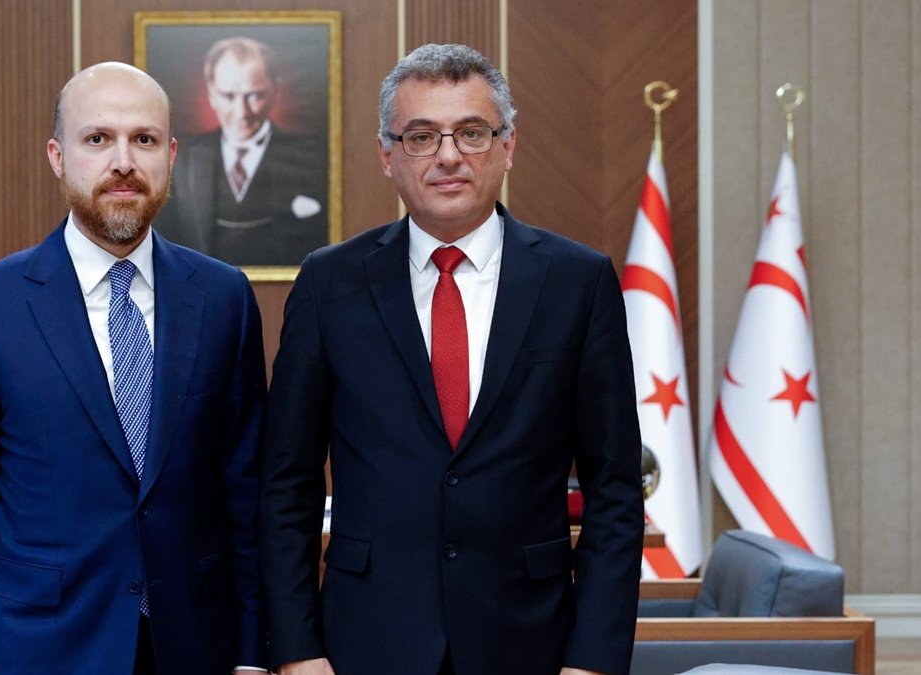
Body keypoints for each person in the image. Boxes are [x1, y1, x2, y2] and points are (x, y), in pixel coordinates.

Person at [260, 44, 644, 675]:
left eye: (471, 132)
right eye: (420, 137)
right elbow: (286, 484)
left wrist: (594, 662)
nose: (447, 155)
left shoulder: (578, 282)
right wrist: (298, 651)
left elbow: (615, 491)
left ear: (507, 145)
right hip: (364, 643)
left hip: (530, 642)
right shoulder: (330, 283)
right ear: (387, 156)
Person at [0, 62, 268, 675]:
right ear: (58, 157)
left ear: (170, 156)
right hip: (41, 650)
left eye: (144, 139)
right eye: (98, 138)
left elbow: (248, 495)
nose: (123, 162)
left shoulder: (223, 298)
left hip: (196, 647)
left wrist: (254, 653)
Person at [154, 37, 328, 266]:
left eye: (254, 95)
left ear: (275, 91)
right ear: (212, 95)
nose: (242, 112)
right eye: (228, 96)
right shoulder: (183, 161)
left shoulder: (314, 160)